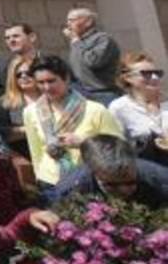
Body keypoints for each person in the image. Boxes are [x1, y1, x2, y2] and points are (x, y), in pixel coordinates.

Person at [22, 55, 123, 200]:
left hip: (88, 180)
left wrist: (83, 143)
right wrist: (39, 177)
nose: (46, 87)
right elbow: (36, 151)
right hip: (50, 181)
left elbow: (117, 146)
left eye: (51, 81)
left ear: (66, 78)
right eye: (40, 82)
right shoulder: (31, 112)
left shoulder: (95, 109)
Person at [53, 135, 167, 208]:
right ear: (93, 171)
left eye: (130, 182)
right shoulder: (69, 191)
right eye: (112, 185)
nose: (125, 189)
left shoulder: (160, 179)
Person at [108, 52, 168, 163]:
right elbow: (117, 148)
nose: (154, 77)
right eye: (146, 74)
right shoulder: (120, 108)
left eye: (157, 73)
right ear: (128, 78)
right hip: (149, 171)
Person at [64, 8, 122, 105]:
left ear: (88, 22)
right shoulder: (78, 42)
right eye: (67, 21)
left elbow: (93, 62)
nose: (68, 25)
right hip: (82, 94)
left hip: (102, 94)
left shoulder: (102, 39)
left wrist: (76, 41)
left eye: (72, 20)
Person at [0, 58, 40, 157]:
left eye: (29, 73)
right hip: (24, 157)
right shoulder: (4, 103)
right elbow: (1, 134)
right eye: (18, 75)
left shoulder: (50, 97)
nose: (24, 76)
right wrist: (27, 129)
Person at [0, 23, 40, 103]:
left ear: (32, 37)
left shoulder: (49, 63)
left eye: (16, 36)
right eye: (7, 38)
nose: (11, 40)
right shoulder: (1, 67)